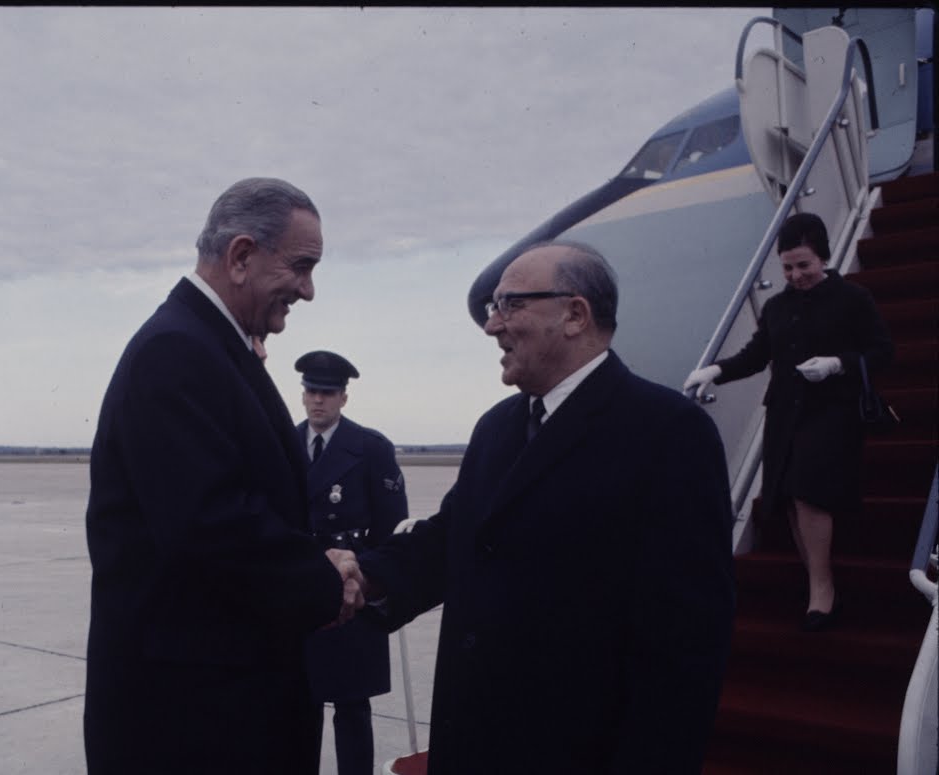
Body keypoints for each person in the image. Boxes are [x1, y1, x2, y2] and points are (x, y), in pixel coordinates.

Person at [356, 241, 736, 774]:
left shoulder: (667, 432)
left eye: (510, 305)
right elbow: (453, 539)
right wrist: (363, 576)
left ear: (575, 314)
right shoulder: (497, 428)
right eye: (493, 308)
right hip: (473, 742)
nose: (491, 326)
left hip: (572, 751)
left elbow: (686, 644)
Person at [83, 177, 364, 774]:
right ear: (241, 256)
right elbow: (210, 525)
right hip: (195, 724)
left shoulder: (209, 345)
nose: (308, 291)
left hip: (218, 710)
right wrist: (321, 580)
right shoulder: (178, 351)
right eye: (302, 266)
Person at [684, 212, 893, 631]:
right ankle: (818, 580)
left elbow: (882, 353)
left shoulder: (853, 299)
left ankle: (822, 587)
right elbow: (758, 355)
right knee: (789, 496)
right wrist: (716, 372)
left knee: (806, 490)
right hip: (785, 411)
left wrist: (837, 364)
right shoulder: (778, 306)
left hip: (833, 410)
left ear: (824, 258)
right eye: (787, 267)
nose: (795, 275)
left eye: (804, 265)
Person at [295, 350, 408, 775]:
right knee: (297, 702)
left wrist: (371, 583)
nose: (318, 401)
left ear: (344, 397)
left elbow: (392, 528)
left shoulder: (370, 448)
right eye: (311, 391)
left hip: (352, 587)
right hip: (301, 589)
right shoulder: (284, 444)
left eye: (327, 392)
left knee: (351, 705)